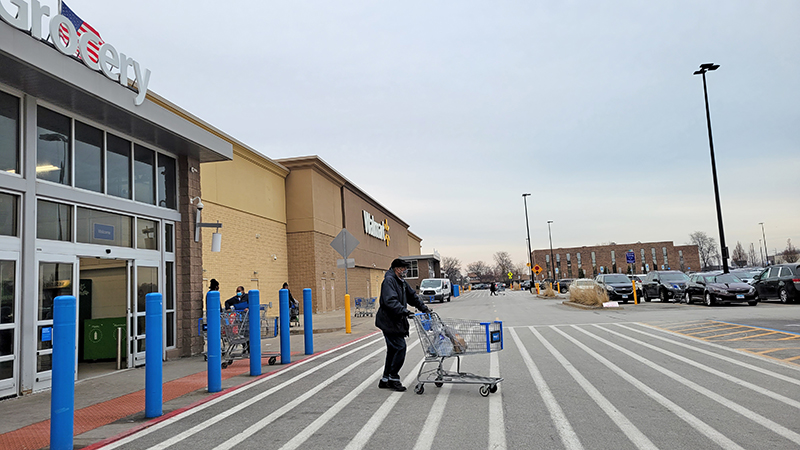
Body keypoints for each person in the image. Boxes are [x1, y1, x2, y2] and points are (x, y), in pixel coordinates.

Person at [375, 258, 431, 392]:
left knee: (393, 350)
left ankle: (385, 379)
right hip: (389, 321)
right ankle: (393, 378)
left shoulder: (401, 282)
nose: (405, 271)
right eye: (403, 269)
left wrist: (424, 308)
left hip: (395, 321)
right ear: (397, 269)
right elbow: (390, 301)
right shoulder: (389, 281)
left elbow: (413, 297)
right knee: (400, 348)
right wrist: (405, 311)